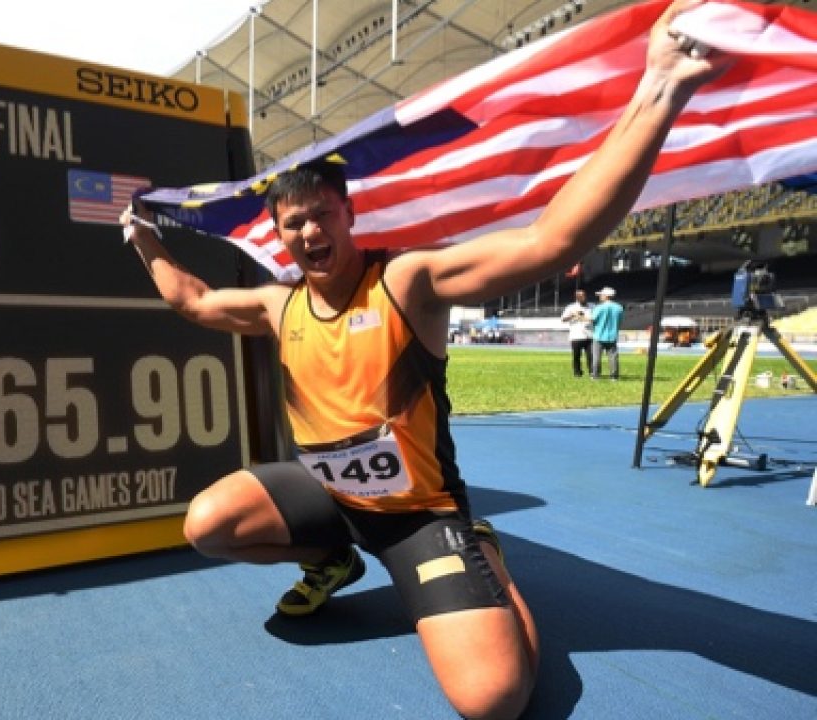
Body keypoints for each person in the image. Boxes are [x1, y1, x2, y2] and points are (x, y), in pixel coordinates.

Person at [119, 3, 727, 717]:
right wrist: (143, 237)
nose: (309, 232)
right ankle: (332, 559)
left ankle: (484, 559)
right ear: (279, 235)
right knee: (207, 524)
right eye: (293, 223)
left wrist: (660, 88)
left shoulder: (407, 282)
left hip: (419, 517)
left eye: (322, 214)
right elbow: (192, 301)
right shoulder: (278, 305)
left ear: (349, 214)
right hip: (330, 499)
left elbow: (550, 244)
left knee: (493, 700)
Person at [591, 287, 624, 380]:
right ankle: (614, 376)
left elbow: (593, 319)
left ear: (606, 296)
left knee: (596, 357)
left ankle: (596, 375)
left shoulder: (599, 307)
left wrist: (579, 316)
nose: (600, 296)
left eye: (601, 295)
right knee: (613, 357)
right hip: (612, 336)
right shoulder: (619, 307)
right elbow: (620, 321)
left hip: (599, 335)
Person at [560, 289, 594, 377]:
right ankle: (577, 372)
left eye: (584, 295)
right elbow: (563, 319)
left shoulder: (592, 306)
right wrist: (572, 315)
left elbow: (595, 317)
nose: (583, 297)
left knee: (591, 355)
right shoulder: (571, 307)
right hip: (576, 335)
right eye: (580, 296)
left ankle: (592, 372)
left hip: (590, 335)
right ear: (577, 297)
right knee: (576, 356)